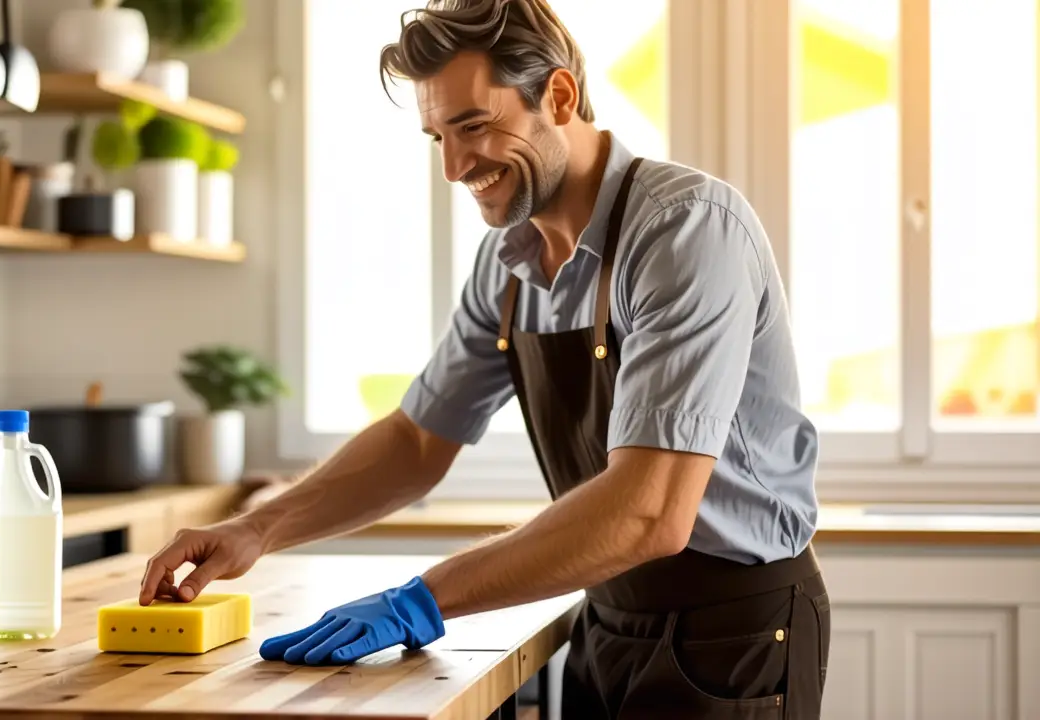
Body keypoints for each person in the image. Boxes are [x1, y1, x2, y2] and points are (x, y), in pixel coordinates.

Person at [138, 0, 831, 715]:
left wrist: (423, 599)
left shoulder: (684, 230)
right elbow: (416, 440)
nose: (454, 166)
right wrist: (255, 529)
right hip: (608, 617)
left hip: (736, 632)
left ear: (558, 96)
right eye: (437, 135)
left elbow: (649, 511)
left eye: (473, 125)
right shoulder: (507, 265)